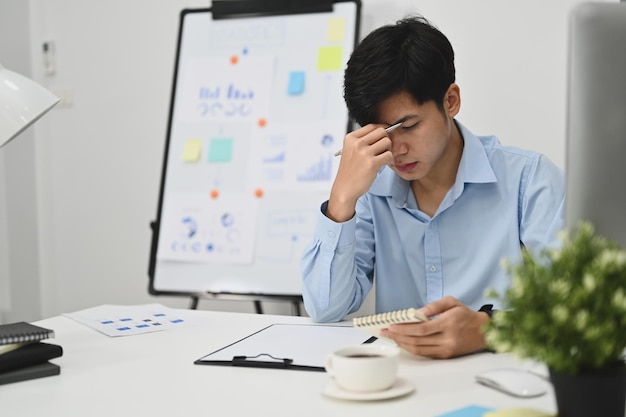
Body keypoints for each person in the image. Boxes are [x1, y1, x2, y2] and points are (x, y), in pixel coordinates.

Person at [300, 16, 565, 359]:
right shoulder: (369, 189)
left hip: (502, 381)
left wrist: (492, 329)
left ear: (451, 101)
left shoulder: (529, 180)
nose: (395, 150)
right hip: (401, 384)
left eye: (407, 126)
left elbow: (584, 308)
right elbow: (325, 309)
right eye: (379, 133)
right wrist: (342, 198)